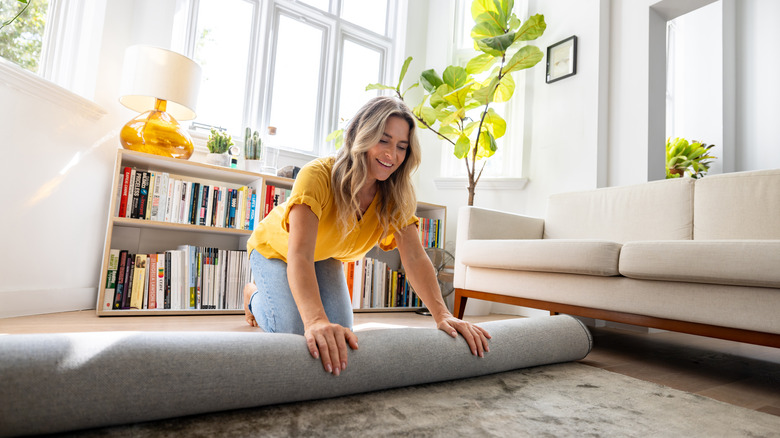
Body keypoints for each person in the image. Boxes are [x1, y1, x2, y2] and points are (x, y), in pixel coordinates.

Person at [243, 96, 491, 376]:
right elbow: (299, 254)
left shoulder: (396, 194)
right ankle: (253, 295)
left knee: (341, 334)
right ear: (361, 135)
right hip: (276, 249)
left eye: (401, 146)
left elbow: (413, 256)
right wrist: (314, 320)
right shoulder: (317, 175)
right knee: (293, 330)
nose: (392, 154)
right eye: (383, 140)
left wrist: (443, 314)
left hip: (325, 255)